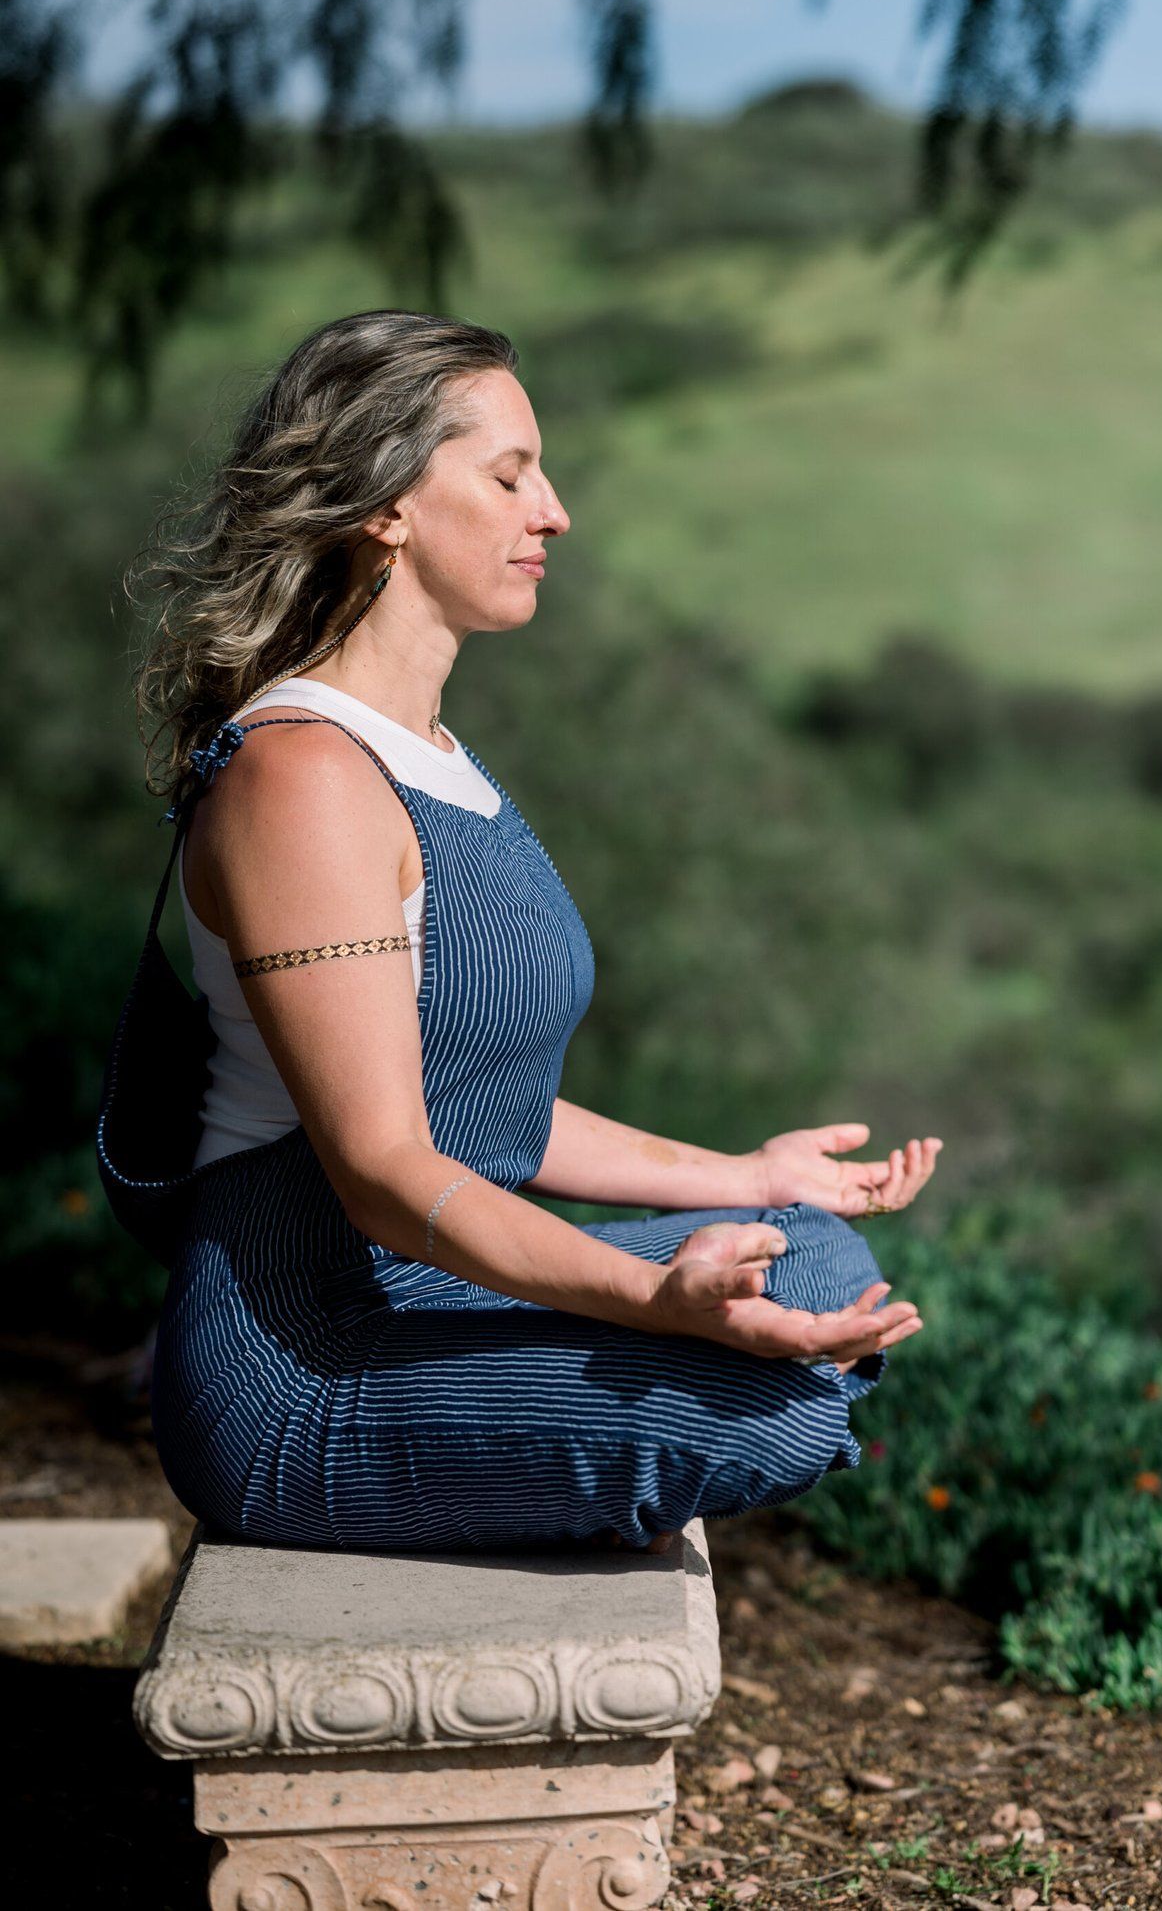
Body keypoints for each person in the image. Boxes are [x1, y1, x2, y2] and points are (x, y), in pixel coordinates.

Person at [128, 308, 941, 1555]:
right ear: (387, 503)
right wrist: (649, 1300)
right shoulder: (301, 782)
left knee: (814, 1257)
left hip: (441, 1279)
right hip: (307, 1353)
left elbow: (479, 1106)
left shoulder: (436, 760)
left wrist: (746, 1179)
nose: (552, 510)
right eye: (509, 475)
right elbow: (387, 1165)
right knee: (770, 1408)